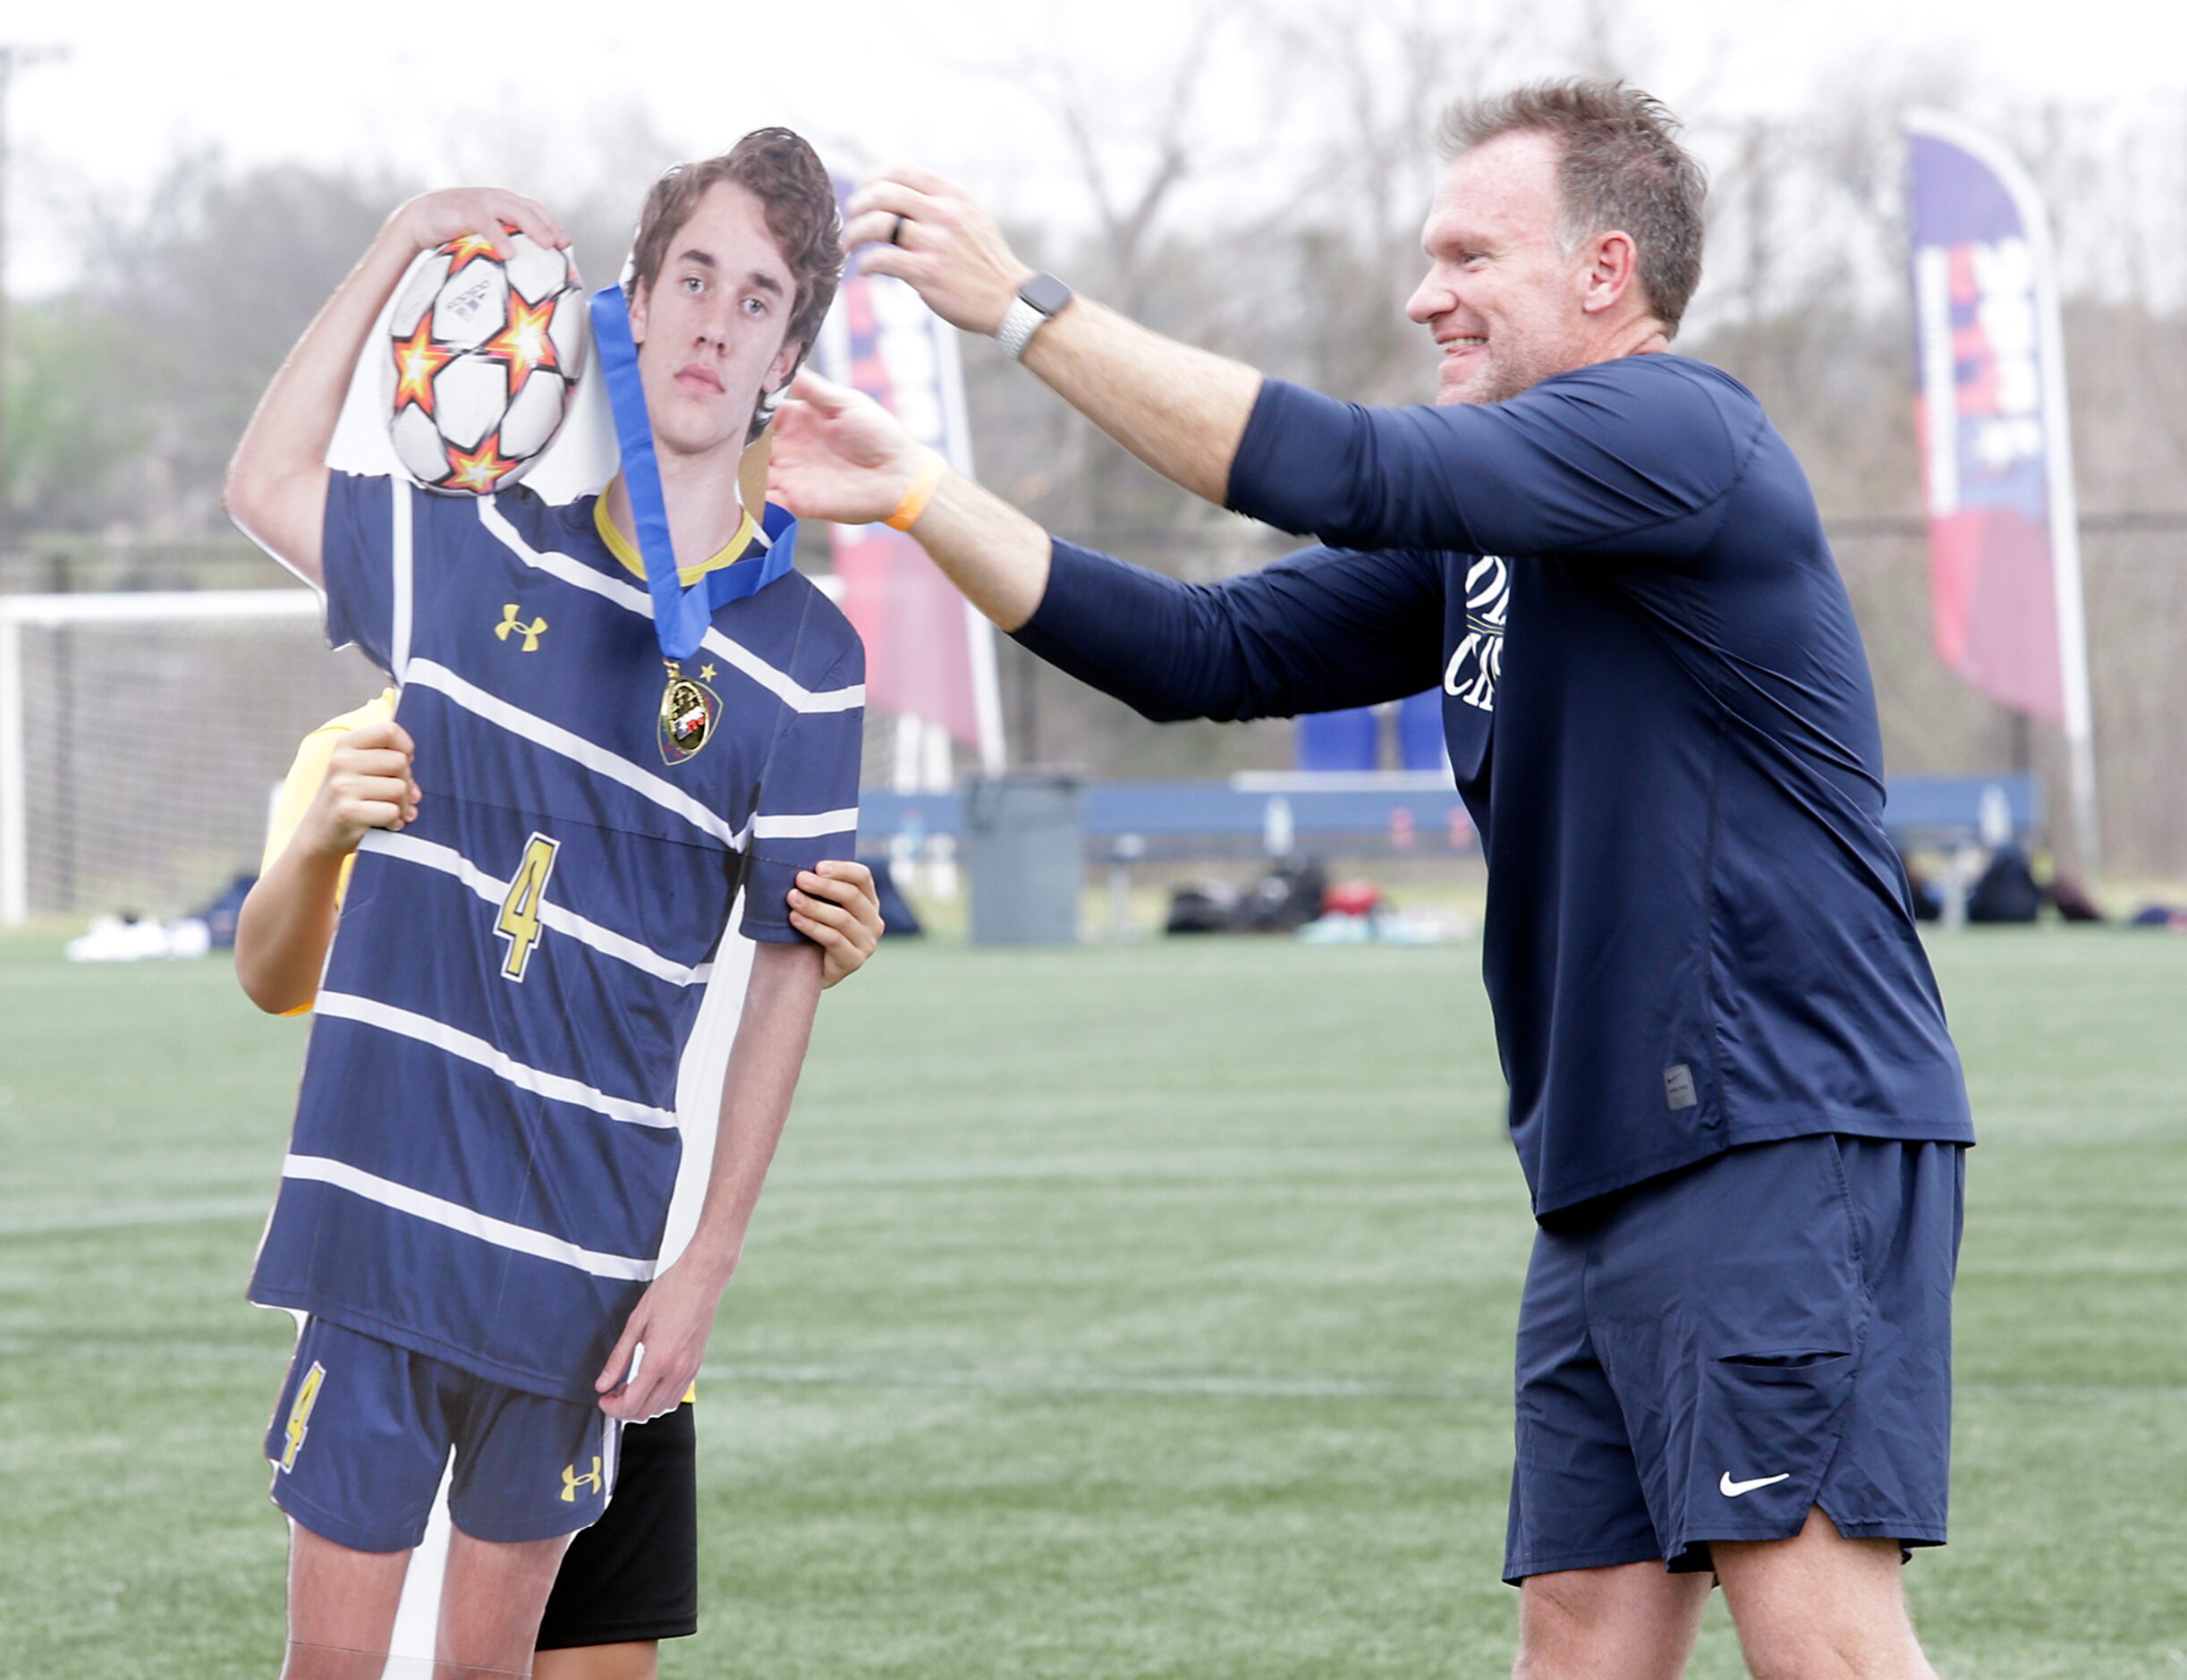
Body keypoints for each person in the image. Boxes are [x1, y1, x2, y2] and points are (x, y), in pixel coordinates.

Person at [768, 81, 1971, 1680]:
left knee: (1820, 1641)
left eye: (1472, 254)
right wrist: (922, 489)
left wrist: (1029, 313)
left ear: (1606, 273)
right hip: (1611, 1165)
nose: (1425, 295)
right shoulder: (1498, 525)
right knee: (1578, 1648)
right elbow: (1199, 651)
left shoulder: (1681, 433)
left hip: (1773, 1127)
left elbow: (1333, 465)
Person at [224, 126, 862, 1676]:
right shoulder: (468, 549)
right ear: (629, 309)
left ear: (786, 357)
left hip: (581, 1273)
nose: (716, 318)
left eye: (758, 298)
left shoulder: (808, 663)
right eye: (691, 276)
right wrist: (396, 244)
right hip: (380, 1230)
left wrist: (703, 1264)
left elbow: (790, 971)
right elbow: (262, 477)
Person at [235, 692, 886, 1679]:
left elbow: (719, 986)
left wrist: (810, 950)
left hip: (617, 1328)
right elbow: (276, 978)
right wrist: (322, 838)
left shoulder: (710, 748)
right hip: (407, 1304)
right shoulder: (362, 743)